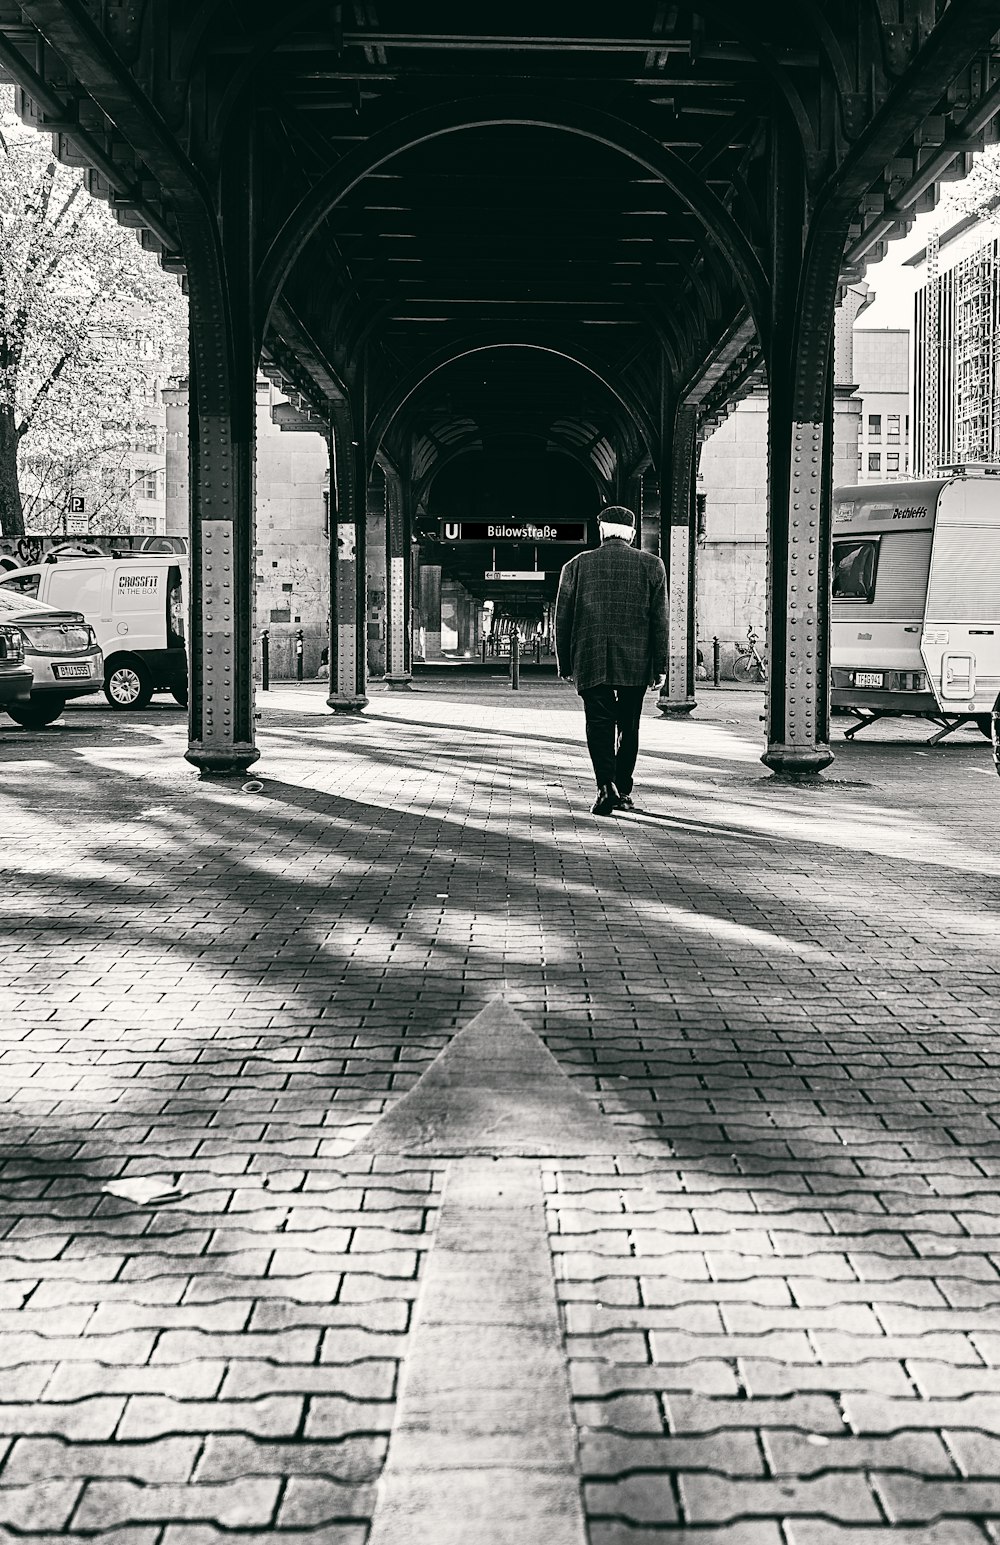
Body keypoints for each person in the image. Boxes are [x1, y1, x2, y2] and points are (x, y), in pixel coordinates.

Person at [555, 505, 668, 816]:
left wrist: (565, 664)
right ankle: (624, 790)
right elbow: (660, 621)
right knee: (629, 727)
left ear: (602, 530)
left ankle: (606, 788)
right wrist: (660, 665)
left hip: (591, 659)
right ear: (631, 534)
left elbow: (562, 620)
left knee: (599, 724)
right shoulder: (652, 565)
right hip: (636, 660)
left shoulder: (576, 565)